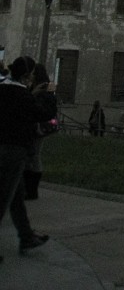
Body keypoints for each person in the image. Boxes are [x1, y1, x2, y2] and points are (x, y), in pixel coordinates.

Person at [0, 56, 55, 257]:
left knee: (16, 197)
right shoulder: (22, 95)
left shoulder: (4, 89)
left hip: (3, 146)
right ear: (26, 76)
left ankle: (26, 236)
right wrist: (49, 94)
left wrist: (32, 93)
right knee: (4, 198)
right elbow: (44, 114)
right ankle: (26, 237)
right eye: (31, 74)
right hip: (14, 150)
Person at [24, 63, 57, 200]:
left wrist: (32, 94)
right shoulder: (37, 86)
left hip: (38, 127)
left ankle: (32, 190)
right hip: (34, 126)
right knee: (31, 156)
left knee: (34, 156)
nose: (30, 75)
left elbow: (36, 106)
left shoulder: (42, 88)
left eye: (32, 72)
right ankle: (29, 189)